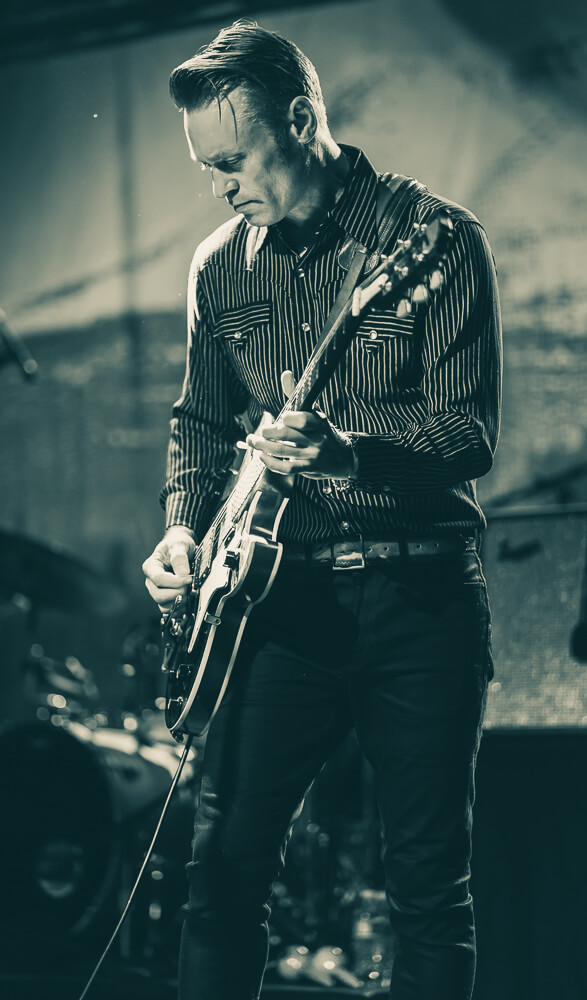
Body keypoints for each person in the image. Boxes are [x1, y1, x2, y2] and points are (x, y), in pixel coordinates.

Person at [143, 19, 501, 1000]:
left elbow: (468, 436)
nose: (221, 185)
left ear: (300, 121)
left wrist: (352, 453)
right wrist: (181, 527)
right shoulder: (220, 266)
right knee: (220, 874)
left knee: (426, 890)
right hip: (277, 605)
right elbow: (201, 425)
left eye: (234, 160)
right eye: (208, 167)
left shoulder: (434, 239)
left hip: (418, 595)